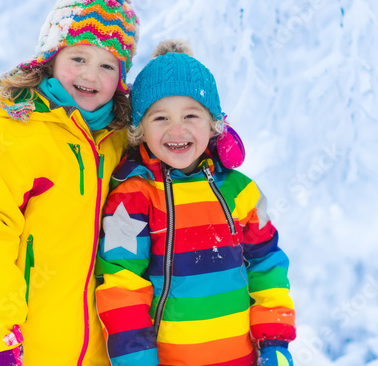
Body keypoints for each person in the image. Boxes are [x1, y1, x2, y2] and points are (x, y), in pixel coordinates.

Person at [0, 0, 139, 366]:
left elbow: (176, 146)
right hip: (10, 349)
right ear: (51, 58)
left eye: (108, 65)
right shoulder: (14, 132)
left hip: (93, 354)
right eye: (79, 58)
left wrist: (215, 131)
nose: (91, 74)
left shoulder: (118, 142)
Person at [95, 40, 296, 366]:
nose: (177, 129)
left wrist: (275, 341)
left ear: (214, 123)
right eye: (160, 118)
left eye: (191, 115)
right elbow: (121, 288)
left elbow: (267, 266)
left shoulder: (239, 191)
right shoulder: (134, 197)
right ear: (139, 129)